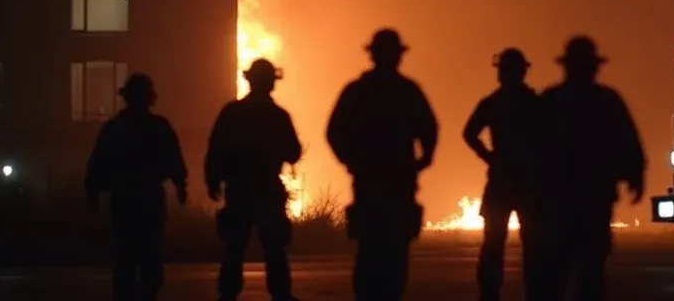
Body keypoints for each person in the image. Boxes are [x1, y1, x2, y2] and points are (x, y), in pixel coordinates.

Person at [326, 29, 439, 301]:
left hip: (368, 182)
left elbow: (334, 132)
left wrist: (351, 161)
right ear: (398, 56)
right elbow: (429, 129)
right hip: (399, 182)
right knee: (395, 253)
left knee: (369, 250)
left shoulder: (357, 91)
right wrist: (423, 160)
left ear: (372, 55)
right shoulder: (408, 91)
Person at [535, 36, 645, 301]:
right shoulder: (606, 100)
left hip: (561, 199)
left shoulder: (551, 100)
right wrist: (635, 175)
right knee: (589, 267)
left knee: (558, 268)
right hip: (591, 196)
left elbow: (534, 147)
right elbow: (628, 141)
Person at [205, 58, 303, 301]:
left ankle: (228, 293)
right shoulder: (278, 115)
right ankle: (281, 293)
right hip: (267, 189)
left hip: (239, 190)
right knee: (274, 248)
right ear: (271, 83)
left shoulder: (231, 113)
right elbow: (293, 152)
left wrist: (213, 180)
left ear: (249, 81)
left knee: (234, 247)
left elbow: (215, 148)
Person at [85, 73, 188, 301]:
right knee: (145, 257)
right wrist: (181, 186)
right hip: (146, 201)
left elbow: (97, 164)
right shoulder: (157, 127)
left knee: (127, 261)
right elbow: (174, 161)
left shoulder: (115, 129)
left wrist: (93, 192)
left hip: (126, 202)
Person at [463, 47, 542, 301]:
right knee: (532, 246)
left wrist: (489, 157)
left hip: (503, 180)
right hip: (527, 182)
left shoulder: (493, 102)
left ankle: (489, 295)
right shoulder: (535, 104)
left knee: (494, 244)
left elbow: (469, 133)